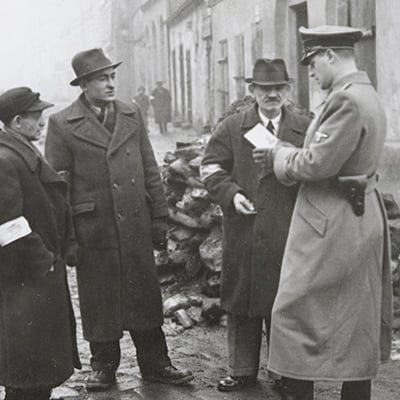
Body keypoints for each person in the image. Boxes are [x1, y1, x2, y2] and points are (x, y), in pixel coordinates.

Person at [45, 48, 193, 391]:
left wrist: (159, 216)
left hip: (134, 224)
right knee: (100, 300)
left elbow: (149, 166)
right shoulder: (62, 123)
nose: (111, 83)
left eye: (112, 76)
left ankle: (156, 363)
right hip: (93, 228)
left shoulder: (131, 112)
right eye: (102, 78)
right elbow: (58, 187)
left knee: (144, 295)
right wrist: (67, 237)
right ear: (83, 84)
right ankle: (104, 366)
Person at [264, 26, 392, 400]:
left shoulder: (346, 101)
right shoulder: (363, 95)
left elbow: (314, 165)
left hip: (330, 221)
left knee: (293, 315)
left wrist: (279, 155)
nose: (311, 72)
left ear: (331, 55)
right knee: (355, 320)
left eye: (313, 62)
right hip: (355, 213)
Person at [200, 58, 311, 392]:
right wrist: (232, 195)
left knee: (286, 303)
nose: (272, 94)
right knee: (242, 300)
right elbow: (210, 168)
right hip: (245, 228)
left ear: (288, 90)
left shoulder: (304, 127)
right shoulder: (234, 127)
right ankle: (242, 369)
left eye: (279, 88)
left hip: (289, 228)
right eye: (265, 89)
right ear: (252, 91)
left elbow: (317, 169)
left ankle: (283, 370)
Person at [0, 87, 81, 400]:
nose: (43, 121)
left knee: (35, 374)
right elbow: (7, 225)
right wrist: (43, 260)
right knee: (26, 377)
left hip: (34, 279)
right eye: (37, 116)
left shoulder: (20, 150)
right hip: (25, 279)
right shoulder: (7, 159)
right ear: (18, 121)